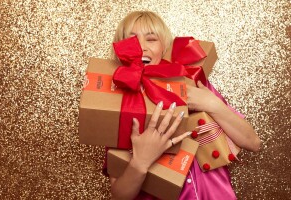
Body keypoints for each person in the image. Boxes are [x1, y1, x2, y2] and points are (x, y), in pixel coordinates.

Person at [106, 11, 261, 200]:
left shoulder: (193, 82)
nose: (142, 47)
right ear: (120, 47)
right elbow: (119, 195)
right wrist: (141, 162)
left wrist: (213, 104)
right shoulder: (116, 105)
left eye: (151, 39)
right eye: (132, 39)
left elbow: (253, 143)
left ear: (164, 46)